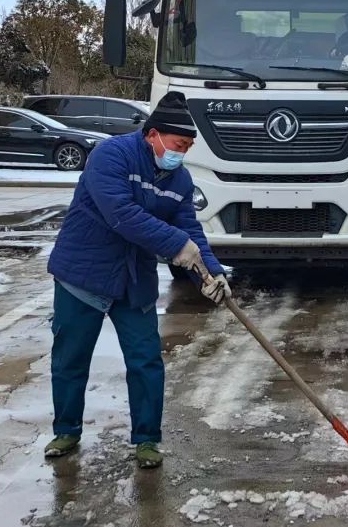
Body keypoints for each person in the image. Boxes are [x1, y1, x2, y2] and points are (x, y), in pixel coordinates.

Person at [44, 91, 231, 469]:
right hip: (83, 273)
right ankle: (66, 431)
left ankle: (147, 440)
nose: (182, 153)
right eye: (179, 144)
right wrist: (177, 245)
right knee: (70, 358)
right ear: (153, 135)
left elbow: (189, 228)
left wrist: (211, 272)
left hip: (134, 279)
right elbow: (122, 214)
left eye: (188, 147)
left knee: (146, 361)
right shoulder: (111, 156)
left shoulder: (180, 180)